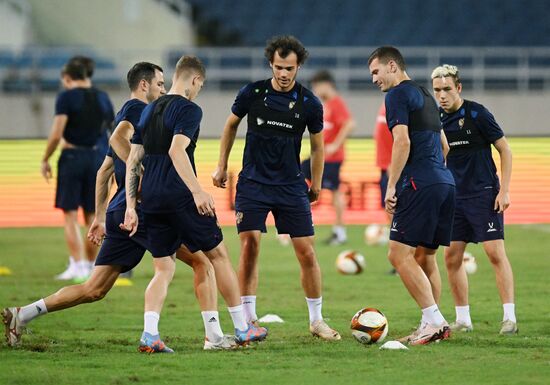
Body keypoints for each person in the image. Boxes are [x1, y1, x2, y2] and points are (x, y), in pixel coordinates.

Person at [123, 55, 268, 347]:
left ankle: (150, 333)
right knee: (218, 256)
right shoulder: (189, 109)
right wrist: (197, 192)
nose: (199, 90)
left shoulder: (148, 110)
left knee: (163, 268)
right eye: (200, 85)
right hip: (179, 195)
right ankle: (242, 327)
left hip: (150, 198)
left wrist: (130, 206)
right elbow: (178, 151)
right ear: (195, 80)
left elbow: (133, 160)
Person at [212, 35, 341, 341]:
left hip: (290, 185)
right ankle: (247, 319)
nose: (284, 74)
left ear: (299, 67)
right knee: (250, 245)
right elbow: (230, 125)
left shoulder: (310, 102)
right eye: (280, 67)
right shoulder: (253, 92)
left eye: (290, 68)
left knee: (307, 251)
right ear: (271, 64)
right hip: (253, 183)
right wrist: (221, 165)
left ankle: (316, 320)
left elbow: (318, 148)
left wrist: (317, 185)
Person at [367, 46, 455, 345]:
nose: (374, 79)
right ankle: (428, 324)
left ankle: (435, 321)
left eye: (376, 72)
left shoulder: (396, 95)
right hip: (444, 181)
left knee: (397, 253)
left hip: (419, 181)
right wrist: (434, 176)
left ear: (392, 66)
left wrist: (392, 185)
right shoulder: (426, 95)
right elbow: (445, 147)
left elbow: (401, 141)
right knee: (426, 256)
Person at [431, 64, 517, 335]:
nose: (442, 95)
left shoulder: (478, 113)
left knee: (494, 253)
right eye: (437, 90)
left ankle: (509, 318)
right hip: (453, 198)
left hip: (483, 195)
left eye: (446, 89)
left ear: (458, 88)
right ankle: (463, 319)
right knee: (452, 257)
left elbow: (505, 150)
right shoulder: (435, 120)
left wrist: (503, 190)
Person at [41, 58, 114, 281]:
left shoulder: (66, 97)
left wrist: (46, 158)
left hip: (73, 156)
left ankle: (78, 265)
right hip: (98, 158)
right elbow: (113, 129)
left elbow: (56, 133)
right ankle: (92, 265)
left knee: (70, 215)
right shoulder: (103, 97)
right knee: (93, 214)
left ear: (67, 78)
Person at [301, 70, 355, 245]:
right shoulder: (327, 104)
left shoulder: (336, 102)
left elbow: (349, 124)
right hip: (321, 156)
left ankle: (340, 232)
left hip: (331, 158)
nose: (315, 89)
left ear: (326, 84)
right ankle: (336, 231)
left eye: (317, 86)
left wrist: (335, 145)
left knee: (335, 192)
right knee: (300, 173)